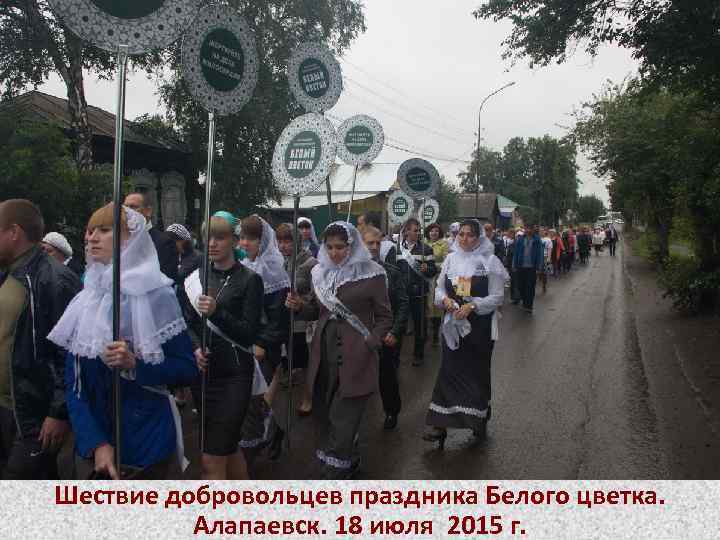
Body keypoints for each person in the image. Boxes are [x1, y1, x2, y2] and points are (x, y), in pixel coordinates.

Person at [49, 203, 196, 479]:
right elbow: (74, 381)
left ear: (131, 239)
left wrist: (135, 364)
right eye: (90, 231)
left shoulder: (158, 296)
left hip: (146, 443)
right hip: (95, 448)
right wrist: (96, 442)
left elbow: (186, 368)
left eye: (104, 230)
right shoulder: (87, 298)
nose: (91, 237)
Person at [287, 222, 391, 479]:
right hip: (324, 350)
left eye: (340, 247)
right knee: (326, 409)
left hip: (357, 352)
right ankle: (348, 457)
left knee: (344, 413)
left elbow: (385, 316)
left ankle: (336, 468)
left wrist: (371, 342)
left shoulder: (373, 273)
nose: (334, 253)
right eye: (330, 247)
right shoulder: (320, 273)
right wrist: (300, 306)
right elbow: (317, 311)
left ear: (352, 246)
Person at [180, 211, 264, 480]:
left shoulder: (250, 280)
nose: (213, 244)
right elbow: (189, 323)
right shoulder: (196, 278)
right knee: (228, 448)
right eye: (208, 238)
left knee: (211, 458)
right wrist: (195, 348)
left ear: (234, 241)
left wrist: (217, 312)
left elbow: (249, 334)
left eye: (220, 237)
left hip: (235, 376)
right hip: (205, 375)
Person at [0, 200, 80, 479]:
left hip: (32, 415)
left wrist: (59, 413)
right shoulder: (8, 274)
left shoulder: (54, 279)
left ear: (13, 232)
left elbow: (70, 352)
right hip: (5, 409)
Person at [423, 219, 508, 448]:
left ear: (479, 238)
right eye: (461, 234)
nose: (464, 239)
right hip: (453, 326)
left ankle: (477, 419)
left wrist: (473, 306)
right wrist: (446, 300)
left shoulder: (490, 262)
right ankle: (439, 426)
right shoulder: (451, 259)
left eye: (470, 235)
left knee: (476, 373)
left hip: (478, 328)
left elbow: (497, 297)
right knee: (448, 371)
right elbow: (440, 288)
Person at [238, 215, 290, 463]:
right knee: (248, 398)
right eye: (242, 237)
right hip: (243, 344)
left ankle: (258, 441)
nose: (244, 243)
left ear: (263, 240)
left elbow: (279, 319)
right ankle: (269, 433)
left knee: (253, 398)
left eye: (250, 238)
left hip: (263, 347)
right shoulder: (247, 266)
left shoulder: (273, 271)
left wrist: (262, 344)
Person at [363, 226, 409, 430]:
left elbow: (402, 303)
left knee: (386, 377)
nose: (374, 247)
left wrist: (395, 332)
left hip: (385, 336)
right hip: (359, 336)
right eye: (369, 243)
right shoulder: (351, 273)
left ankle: (391, 411)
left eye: (377, 243)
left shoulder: (391, 272)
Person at [276, 223, 318, 418]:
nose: (283, 245)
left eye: (288, 241)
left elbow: (316, 295)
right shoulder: (283, 262)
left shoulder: (310, 263)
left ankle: (308, 398)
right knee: (294, 361)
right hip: (287, 321)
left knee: (305, 363)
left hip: (304, 322)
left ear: (298, 241)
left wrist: (302, 303)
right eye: (280, 241)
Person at [397, 218, 437, 366]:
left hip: (419, 293)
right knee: (399, 325)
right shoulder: (397, 249)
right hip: (402, 295)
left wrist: (428, 269)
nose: (418, 232)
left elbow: (433, 271)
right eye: (415, 230)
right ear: (406, 231)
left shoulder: (426, 249)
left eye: (419, 230)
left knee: (420, 326)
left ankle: (418, 354)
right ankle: (396, 355)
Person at [124, 192, 178, 283]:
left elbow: (166, 280)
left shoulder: (164, 242)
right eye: (125, 207)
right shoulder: (118, 240)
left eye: (133, 207)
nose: (127, 211)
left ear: (148, 211)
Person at [426, 223, 449, 347]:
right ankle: (426, 332)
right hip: (425, 278)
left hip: (437, 278)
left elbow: (446, 262)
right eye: (431, 231)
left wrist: (433, 266)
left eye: (436, 231)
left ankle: (435, 333)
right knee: (425, 305)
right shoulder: (423, 243)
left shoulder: (444, 244)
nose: (433, 233)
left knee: (436, 306)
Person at [512, 224, 544, 313]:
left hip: (532, 268)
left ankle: (529, 306)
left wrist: (539, 266)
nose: (528, 230)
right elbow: (516, 252)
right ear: (525, 229)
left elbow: (540, 253)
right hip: (520, 267)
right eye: (527, 228)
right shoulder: (520, 239)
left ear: (533, 229)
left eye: (530, 228)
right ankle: (524, 300)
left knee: (530, 287)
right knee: (521, 286)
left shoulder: (537, 240)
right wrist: (514, 265)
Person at [504, 228, 521, 304]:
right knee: (513, 282)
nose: (508, 235)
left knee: (515, 282)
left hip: (515, 265)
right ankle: (515, 297)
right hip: (511, 265)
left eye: (510, 233)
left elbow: (514, 255)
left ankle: (516, 298)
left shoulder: (516, 244)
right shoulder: (510, 243)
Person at [539, 227, 553, 293]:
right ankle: (541, 280)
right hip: (538, 258)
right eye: (540, 231)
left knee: (544, 273)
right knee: (540, 272)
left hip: (545, 257)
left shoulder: (548, 240)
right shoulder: (537, 239)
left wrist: (548, 259)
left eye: (542, 231)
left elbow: (549, 250)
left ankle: (544, 285)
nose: (541, 232)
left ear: (545, 232)